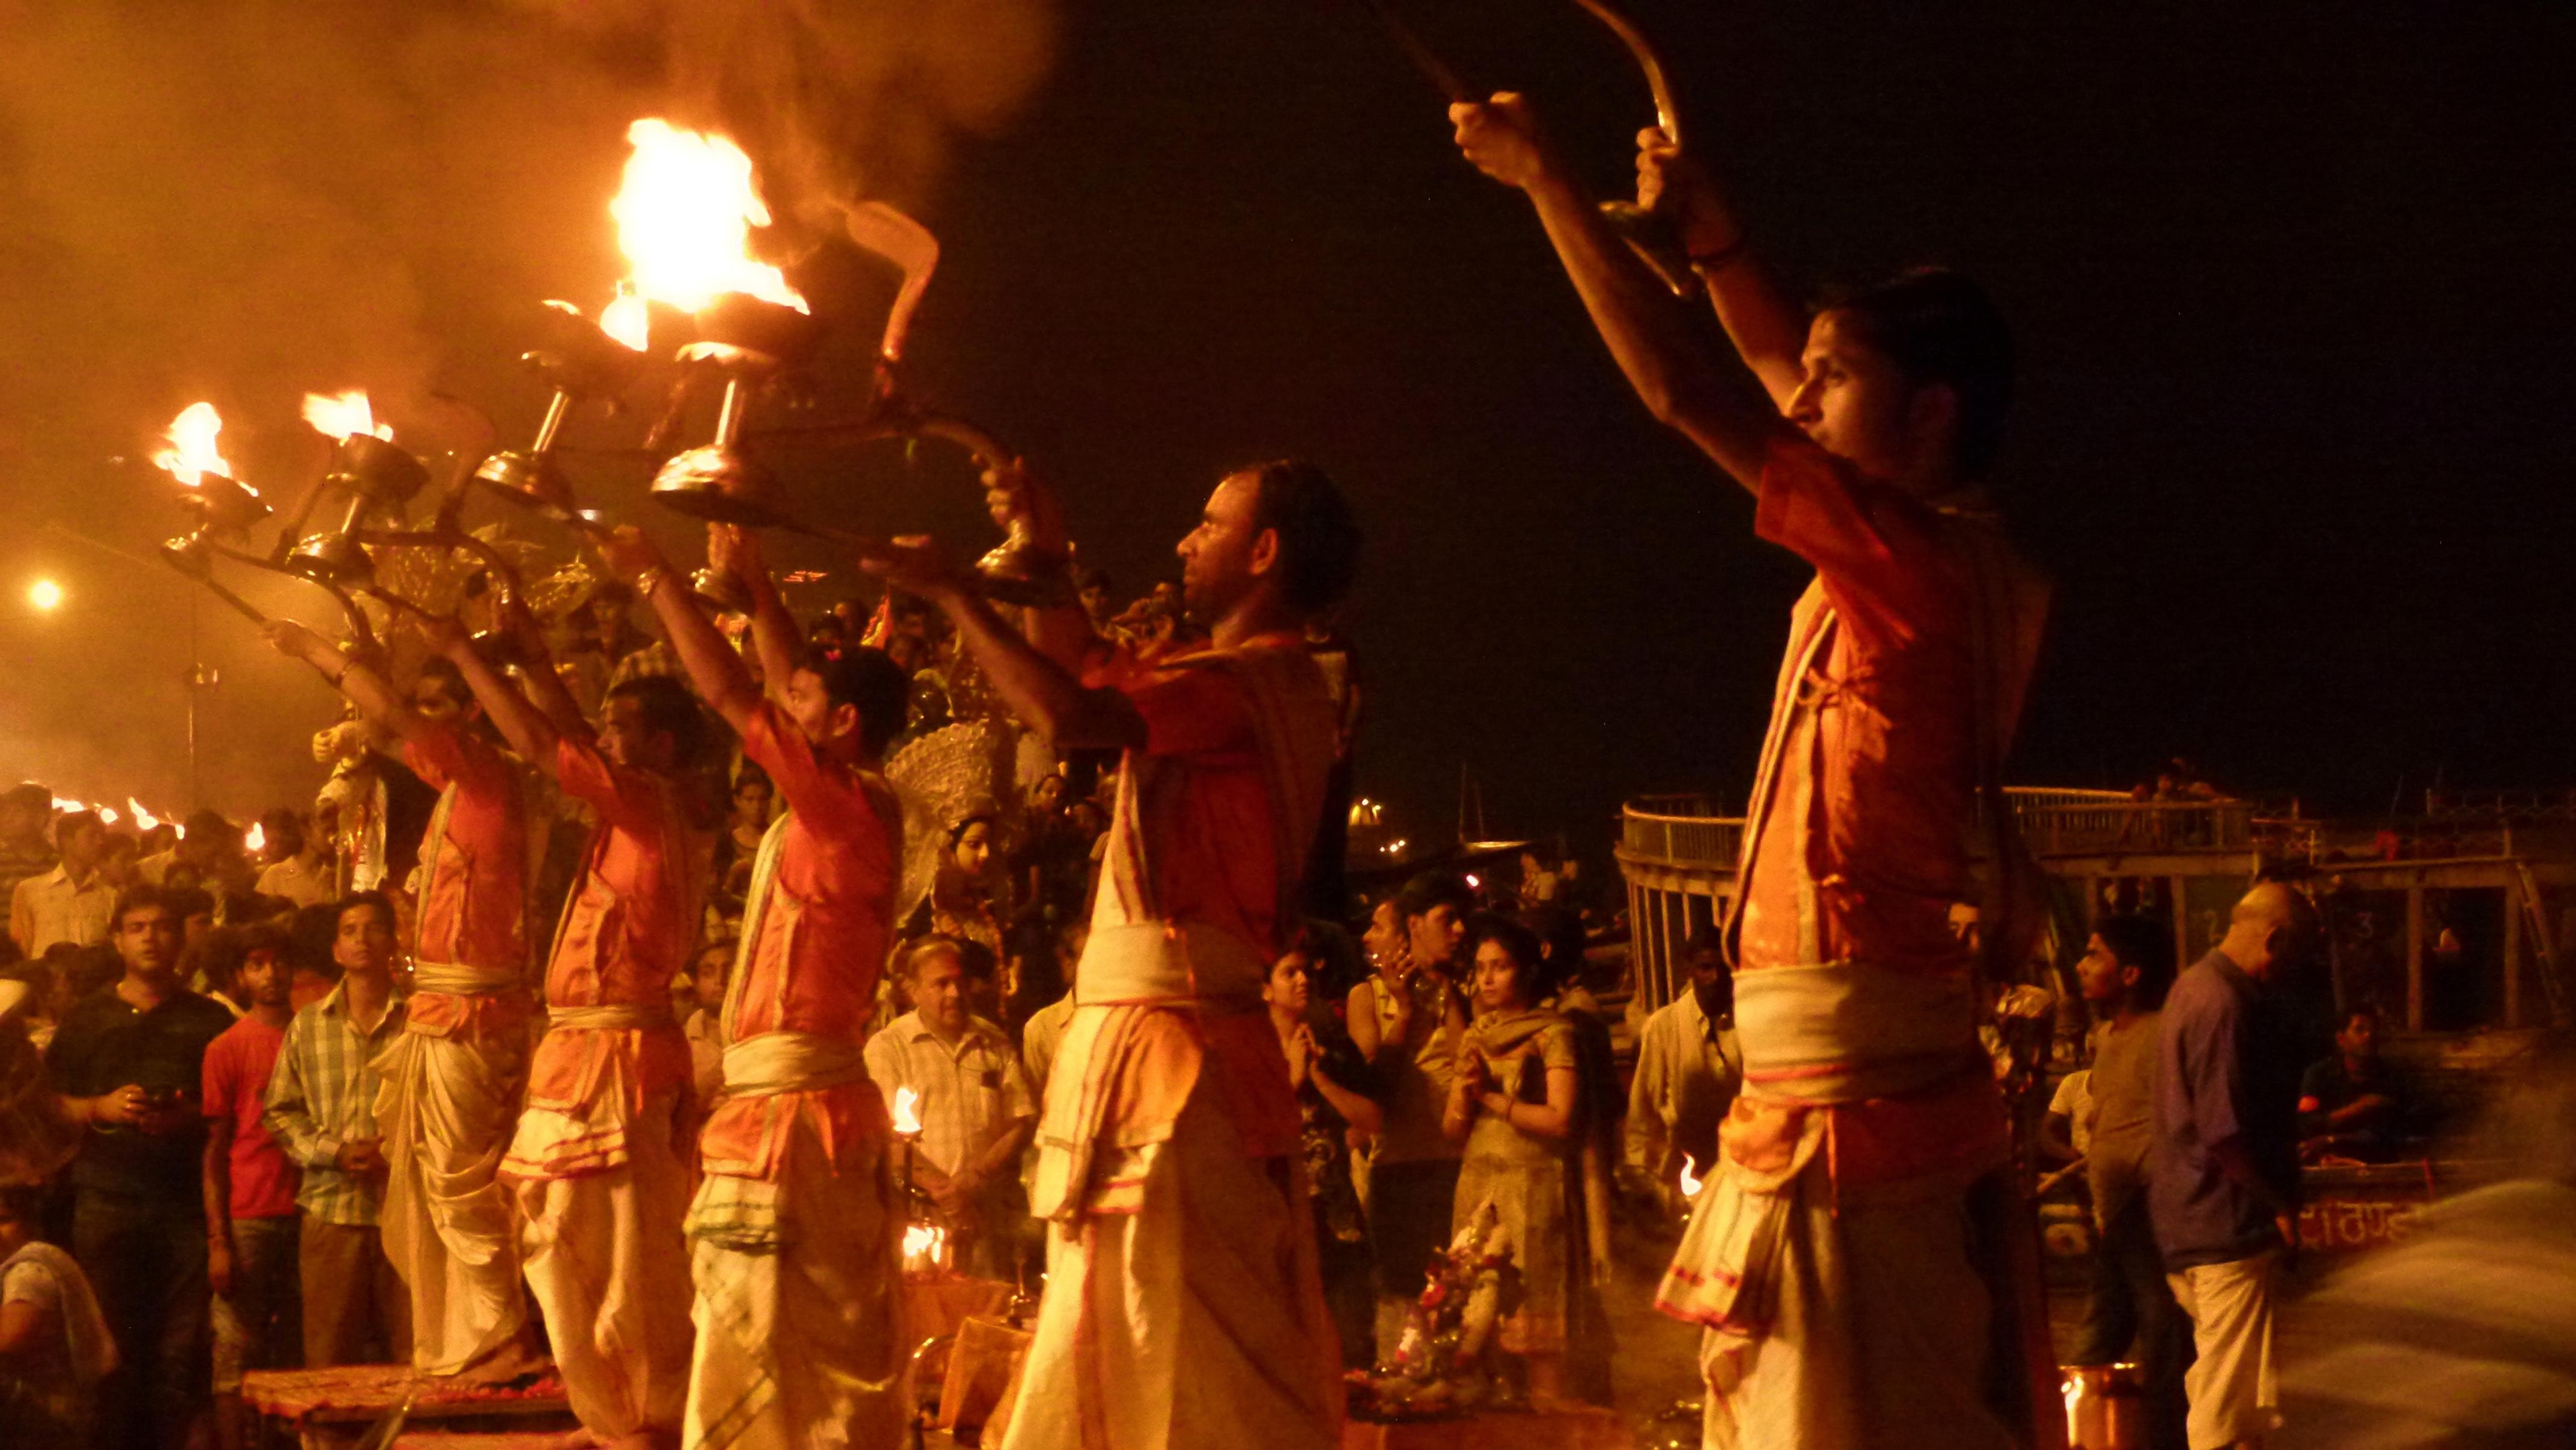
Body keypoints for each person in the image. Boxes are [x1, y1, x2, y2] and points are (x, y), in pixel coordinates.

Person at [1452, 80, 2051, 1449]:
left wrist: (1547, 185)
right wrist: (1719, 247)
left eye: (1841, 382)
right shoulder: (1920, 542)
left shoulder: (1915, 567)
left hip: (1854, 1114)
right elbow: (1774, 369)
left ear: (1931, 414)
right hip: (1825, 1099)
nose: (1808, 396)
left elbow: (1690, 392)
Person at [859, 455, 1358, 1450]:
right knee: (1132, 1320)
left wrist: (959, 590)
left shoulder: (1249, 683)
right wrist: (1043, 553)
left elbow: (1072, 714)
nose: (1185, 541)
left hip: (1173, 1054)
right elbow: (1086, 672)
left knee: (1179, 1337)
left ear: (1263, 552)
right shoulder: (1251, 684)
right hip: (1179, 1036)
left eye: (1209, 525)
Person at [602, 520, 916, 1450]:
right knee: (771, 1343)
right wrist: (760, 590)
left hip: (799, 1116)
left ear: (843, 725)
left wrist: (658, 578)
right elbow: (778, 686)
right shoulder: (832, 799)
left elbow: (735, 693)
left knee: (797, 1355)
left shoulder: (847, 806)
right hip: (777, 1104)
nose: (789, 701)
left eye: (808, 698)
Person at [443, 609, 711, 1449]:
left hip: (621, 1061)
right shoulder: (624, 811)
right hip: (581, 1053)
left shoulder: (649, 803)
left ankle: (648, 1417)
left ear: (666, 745)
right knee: (555, 1237)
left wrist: (466, 655)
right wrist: (532, 659)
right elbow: (564, 735)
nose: (608, 736)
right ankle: (612, 1409)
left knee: (631, 1258)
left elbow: (542, 744)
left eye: (627, 727)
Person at [266, 623, 541, 1380]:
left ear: (475, 714)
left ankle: (499, 1335)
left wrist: (322, 655)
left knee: (457, 1177)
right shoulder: (462, 791)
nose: (423, 721)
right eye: (422, 706)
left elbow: (391, 720)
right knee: (436, 1174)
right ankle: (473, 1331)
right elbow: (395, 732)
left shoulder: (486, 777)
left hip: (472, 1015)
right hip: (450, 1008)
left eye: (439, 707)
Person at [46, 885, 236, 1450]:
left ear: (181, 938)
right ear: (118, 939)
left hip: (184, 1203)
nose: (151, 937)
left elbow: (231, 1113)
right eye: (137, 927)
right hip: (107, 1199)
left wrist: (188, 1115)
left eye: (162, 926)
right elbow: (45, 1104)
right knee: (108, 1351)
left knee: (180, 1353)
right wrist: (99, 1108)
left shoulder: (209, 1019)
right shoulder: (87, 1018)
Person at [2154, 883, 2315, 1450]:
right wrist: (2278, 1206)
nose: (2289, 974)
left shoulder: (2192, 987)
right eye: (2292, 958)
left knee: (2234, 1390)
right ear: (2273, 939)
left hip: (2189, 1221)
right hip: (2224, 1226)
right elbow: (2224, 1132)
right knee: (2224, 1402)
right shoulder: (2224, 1004)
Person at [1441, 914, 1606, 1402]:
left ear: (1528, 971)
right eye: (1481, 967)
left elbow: (1560, 1119)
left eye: (1501, 966)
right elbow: (1452, 1132)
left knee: (1537, 1343)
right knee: (1476, 1338)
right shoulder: (1475, 1035)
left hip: (1534, 1194)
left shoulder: (1553, 1033)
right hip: (1478, 1192)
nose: (1488, 978)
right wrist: (1464, 1094)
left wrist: (1492, 1099)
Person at [262, 893, 411, 1368]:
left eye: (374, 928)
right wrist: (337, 1152)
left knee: (418, 1354)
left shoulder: (422, 1021)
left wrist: (398, 1152)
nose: (362, 939)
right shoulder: (308, 1025)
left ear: (393, 941)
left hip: (407, 1209)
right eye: (350, 930)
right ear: (335, 949)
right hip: (332, 1209)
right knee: (329, 1358)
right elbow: (281, 1112)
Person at [2068, 914, 2188, 1450]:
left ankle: (2165, 1433)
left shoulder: (2163, 1033)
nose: (2082, 966)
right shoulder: (2106, 1036)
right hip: (2115, 1208)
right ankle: (2088, 1430)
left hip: (2148, 1203)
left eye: (2096, 956)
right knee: (2102, 1331)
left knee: (2160, 1325)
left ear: (2132, 973)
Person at [1348, 876, 1472, 1355]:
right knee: (1405, 1304)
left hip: (1458, 1165)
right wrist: (1403, 1009)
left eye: (1377, 927)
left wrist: (1446, 995)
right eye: (1449, 920)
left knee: (1461, 1293)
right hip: (1398, 1167)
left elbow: (1469, 1069)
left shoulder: (1462, 990)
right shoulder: (1369, 997)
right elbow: (1374, 1093)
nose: (1367, 937)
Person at [864, 938, 1036, 1279]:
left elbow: (1020, 1120)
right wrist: (945, 1193)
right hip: (916, 1217)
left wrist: (973, 1181)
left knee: (986, 1314)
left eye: (959, 981)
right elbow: (885, 1134)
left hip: (984, 1213)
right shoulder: (889, 1048)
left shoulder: (994, 1042)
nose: (955, 993)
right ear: (913, 991)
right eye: (941, 983)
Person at [199, 924, 301, 1450]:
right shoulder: (227, 1047)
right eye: (257, 964)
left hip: (311, 1211)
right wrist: (218, 1240)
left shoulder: (317, 1034)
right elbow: (214, 1151)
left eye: (279, 961)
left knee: (297, 1349)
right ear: (239, 976)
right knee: (237, 1346)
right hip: (250, 1213)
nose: (270, 973)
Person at [1265, 932, 1382, 1369]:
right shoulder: (1247, 1056)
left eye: (1305, 970)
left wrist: (1318, 1078)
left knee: (1351, 1344)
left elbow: (1373, 1121)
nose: (1302, 980)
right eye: (1287, 973)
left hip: (1335, 1215)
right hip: (1277, 1213)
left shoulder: (1332, 1045)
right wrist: (1290, 1080)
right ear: (1265, 987)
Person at [1625, 925, 1741, 1211]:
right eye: (1705, 968)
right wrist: (1642, 1175)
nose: (1716, 978)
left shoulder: (1748, 1021)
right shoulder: (1664, 1027)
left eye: (1724, 969)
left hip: (1741, 1166)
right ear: (1689, 969)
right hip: (1686, 1172)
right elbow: (1644, 1108)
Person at [0, 1180, 117, 1449]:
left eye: (4, 1220)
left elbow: (8, 1340)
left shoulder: (30, 1269)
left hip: (46, 1416)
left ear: (33, 1222)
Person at [2298, 1007, 2411, 1161]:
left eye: (2373, 1030)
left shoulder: (2389, 1076)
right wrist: (2360, 1108)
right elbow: (2309, 1124)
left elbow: (2380, 1136)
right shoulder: (2319, 1073)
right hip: (2327, 1162)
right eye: (2360, 1030)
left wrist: (2329, 1139)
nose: (2369, 1036)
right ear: (2341, 1039)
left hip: (2374, 1164)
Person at [10, 810, 113, 959]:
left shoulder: (110, 894)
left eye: (102, 835)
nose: (100, 842)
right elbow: (22, 947)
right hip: (44, 980)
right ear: (67, 841)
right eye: (92, 836)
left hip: (94, 980)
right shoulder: (30, 891)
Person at [252, 809, 336, 911]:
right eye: (326, 831)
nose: (332, 838)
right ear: (307, 833)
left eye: (335, 831)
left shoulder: (332, 875)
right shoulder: (276, 875)